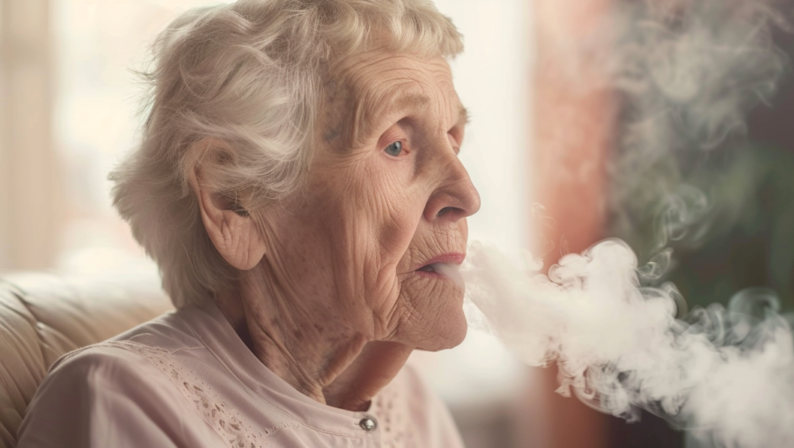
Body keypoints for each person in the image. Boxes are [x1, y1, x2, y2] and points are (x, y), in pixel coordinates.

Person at [16, 0, 480, 446]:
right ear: (232, 201)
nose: (467, 196)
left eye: (453, 143)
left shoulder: (405, 398)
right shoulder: (124, 398)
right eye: (396, 145)